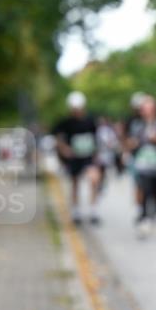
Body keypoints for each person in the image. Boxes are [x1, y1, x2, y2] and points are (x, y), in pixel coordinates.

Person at [52, 91, 102, 225]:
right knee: (75, 183)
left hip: (88, 156)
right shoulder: (66, 123)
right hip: (74, 158)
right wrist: (64, 149)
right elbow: (57, 137)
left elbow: (96, 139)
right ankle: (76, 211)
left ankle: (93, 210)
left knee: (94, 180)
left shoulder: (90, 121)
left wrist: (96, 155)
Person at [126, 95, 156, 238]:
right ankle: (144, 218)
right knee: (145, 190)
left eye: (148, 107)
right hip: (142, 165)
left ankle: (154, 217)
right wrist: (135, 143)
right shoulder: (137, 125)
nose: (145, 111)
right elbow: (129, 144)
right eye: (143, 108)